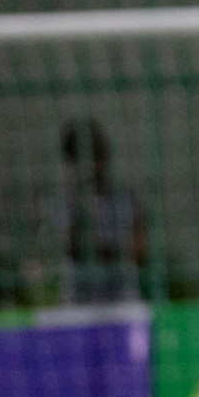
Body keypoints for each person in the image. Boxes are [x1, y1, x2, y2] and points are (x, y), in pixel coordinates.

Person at [55, 118, 147, 304]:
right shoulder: (63, 202)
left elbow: (139, 250)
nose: (97, 163)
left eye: (100, 153)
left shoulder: (125, 198)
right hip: (79, 301)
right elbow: (70, 249)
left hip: (122, 299)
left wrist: (102, 253)